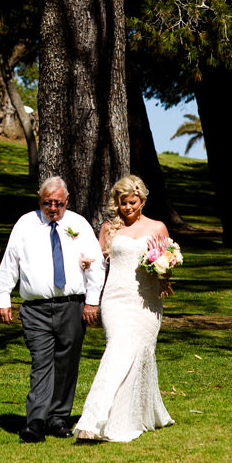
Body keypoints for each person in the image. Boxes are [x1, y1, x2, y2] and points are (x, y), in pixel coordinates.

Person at [0, 176, 105, 443]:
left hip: (72, 305)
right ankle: (35, 421)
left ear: (67, 200)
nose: (53, 208)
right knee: (41, 362)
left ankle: (58, 418)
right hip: (36, 308)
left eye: (58, 203)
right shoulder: (25, 224)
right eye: (48, 203)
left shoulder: (78, 224)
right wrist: (3, 297)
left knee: (67, 363)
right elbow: (11, 261)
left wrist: (92, 300)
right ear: (39, 199)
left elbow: (96, 263)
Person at [74, 174, 175, 443]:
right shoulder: (109, 228)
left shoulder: (157, 227)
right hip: (115, 299)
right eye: (123, 204)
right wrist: (85, 262)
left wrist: (165, 274)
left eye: (132, 202)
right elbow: (97, 262)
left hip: (147, 302)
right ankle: (93, 421)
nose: (127, 208)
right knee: (117, 352)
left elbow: (167, 260)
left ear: (141, 200)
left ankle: (135, 415)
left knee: (140, 354)